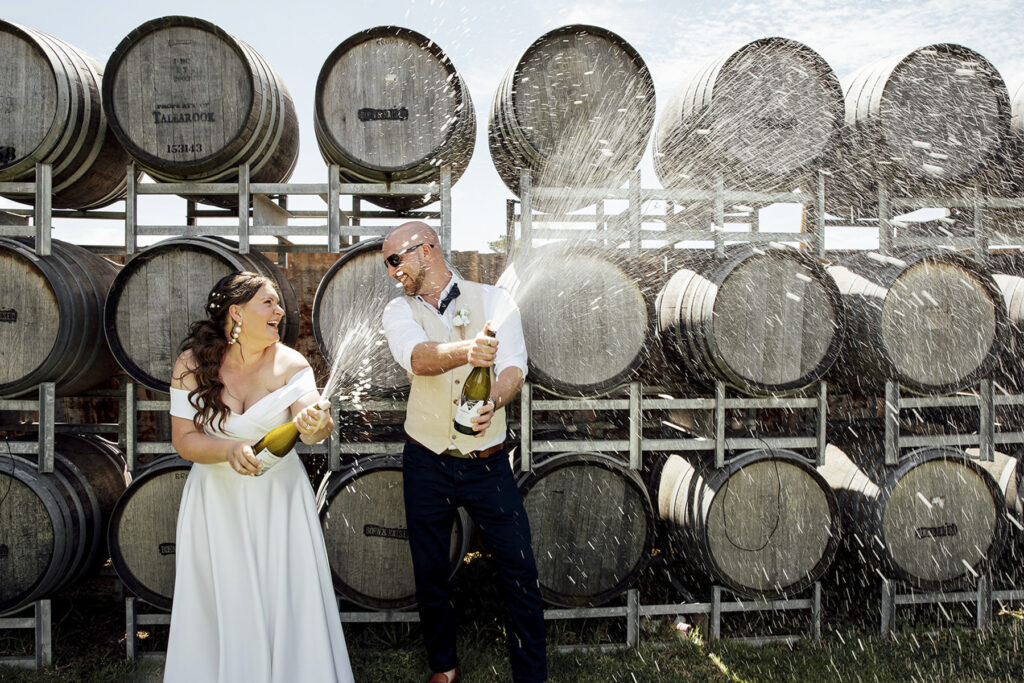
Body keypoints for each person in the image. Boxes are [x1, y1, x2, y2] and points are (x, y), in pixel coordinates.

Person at [165, 271, 354, 682]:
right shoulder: (191, 364)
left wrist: (314, 423)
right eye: (267, 303)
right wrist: (228, 449)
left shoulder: (290, 362)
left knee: (284, 595)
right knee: (221, 597)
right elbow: (183, 440)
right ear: (236, 312)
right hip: (215, 501)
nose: (279, 310)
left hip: (278, 499)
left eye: (277, 303)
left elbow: (316, 429)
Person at [381, 222, 547, 683]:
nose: (392, 272)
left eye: (396, 260)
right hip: (425, 459)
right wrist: (469, 350)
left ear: (426, 250)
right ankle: (444, 668)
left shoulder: (495, 300)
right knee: (430, 572)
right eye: (387, 264)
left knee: (519, 570)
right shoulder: (398, 311)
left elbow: (514, 366)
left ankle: (531, 675)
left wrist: (493, 401)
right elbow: (416, 358)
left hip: (486, 463)